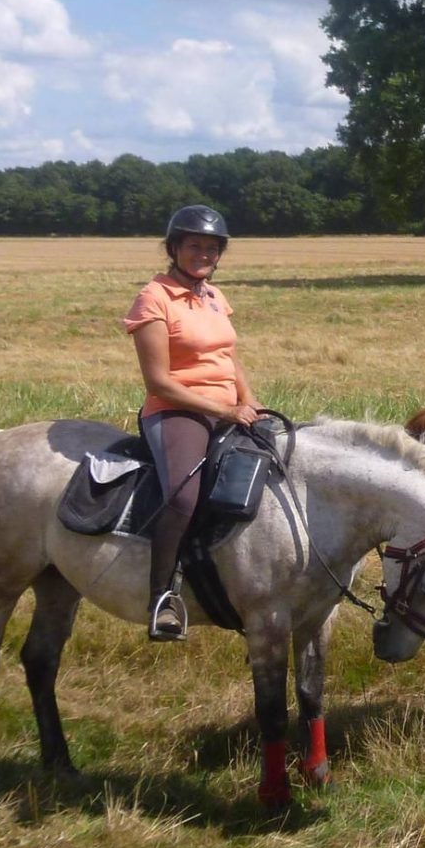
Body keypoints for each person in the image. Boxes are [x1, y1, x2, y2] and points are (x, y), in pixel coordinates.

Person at [124, 204, 260, 641]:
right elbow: (159, 381)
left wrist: (249, 400)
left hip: (227, 407)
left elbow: (227, 357)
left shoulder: (214, 297)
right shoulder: (154, 297)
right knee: (183, 497)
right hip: (177, 411)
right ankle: (161, 599)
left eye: (211, 248)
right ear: (174, 249)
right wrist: (224, 411)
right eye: (194, 246)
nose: (203, 254)